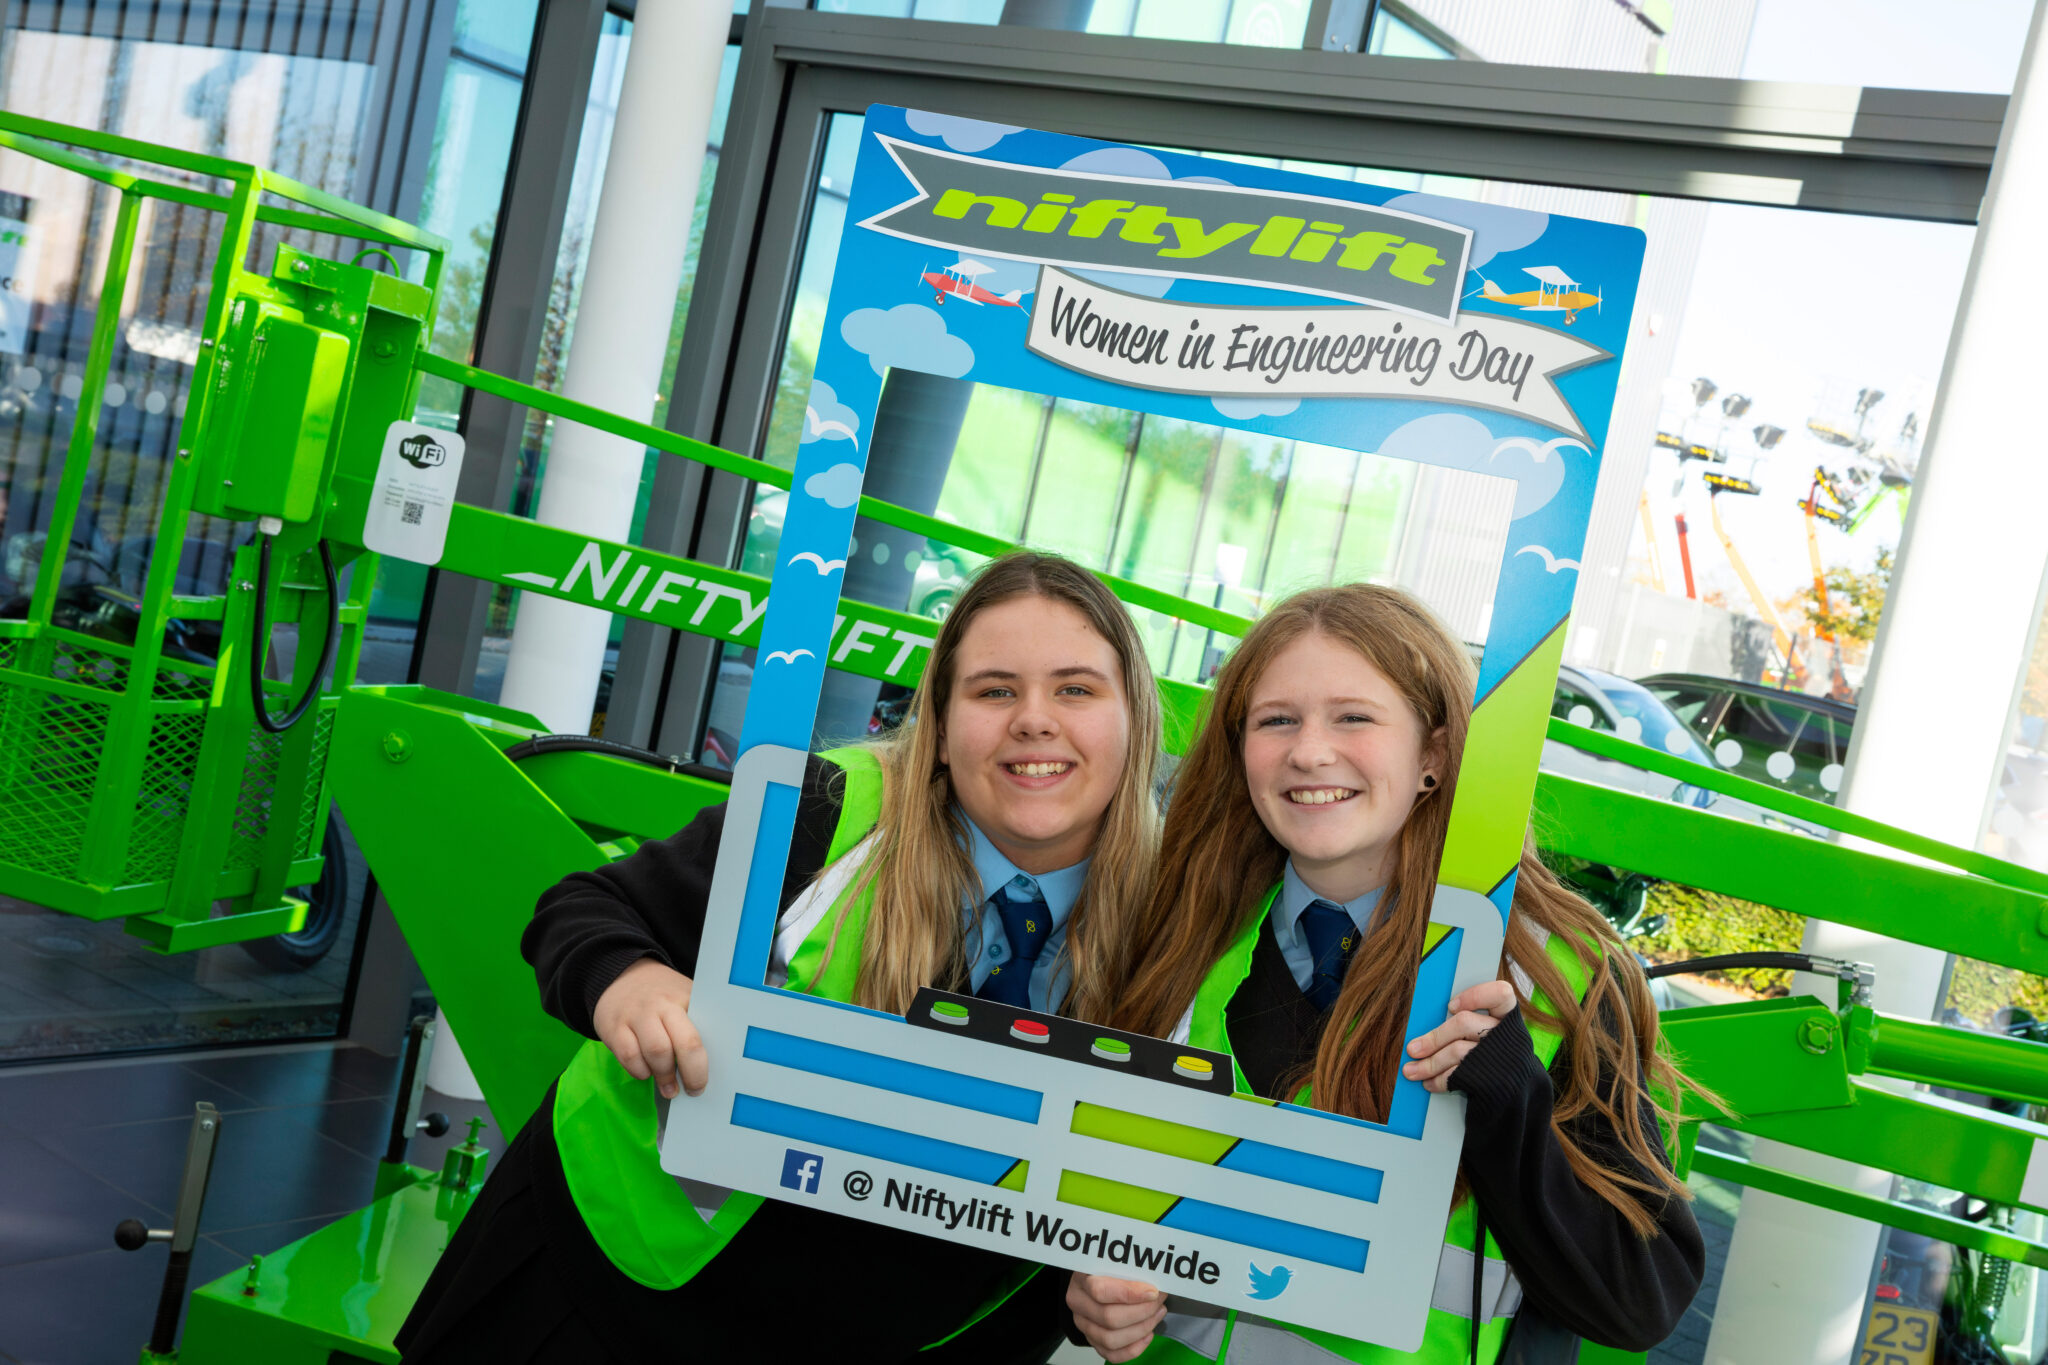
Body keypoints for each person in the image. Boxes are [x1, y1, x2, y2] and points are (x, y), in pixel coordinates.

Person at [398, 550, 1162, 1364]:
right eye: (994, 689)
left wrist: (1095, 1295)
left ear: (1132, 722)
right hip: (612, 1290)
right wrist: (633, 980)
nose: (1034, 719)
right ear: (939, 729)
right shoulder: (830, 812)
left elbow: (1122, 1186)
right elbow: (586, 909)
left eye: (1076, 688)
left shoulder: (1180, 921)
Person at [1064, 584, 1705, 1364]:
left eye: (1353, 716)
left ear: (1433, 754)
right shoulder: (1183, 936)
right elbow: (1087, 1197)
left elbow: (1639, 1297)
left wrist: (1512, 1102)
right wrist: (1089, 1296)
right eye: (1277, 720)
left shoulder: (1555, 976)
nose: (1308, 750)